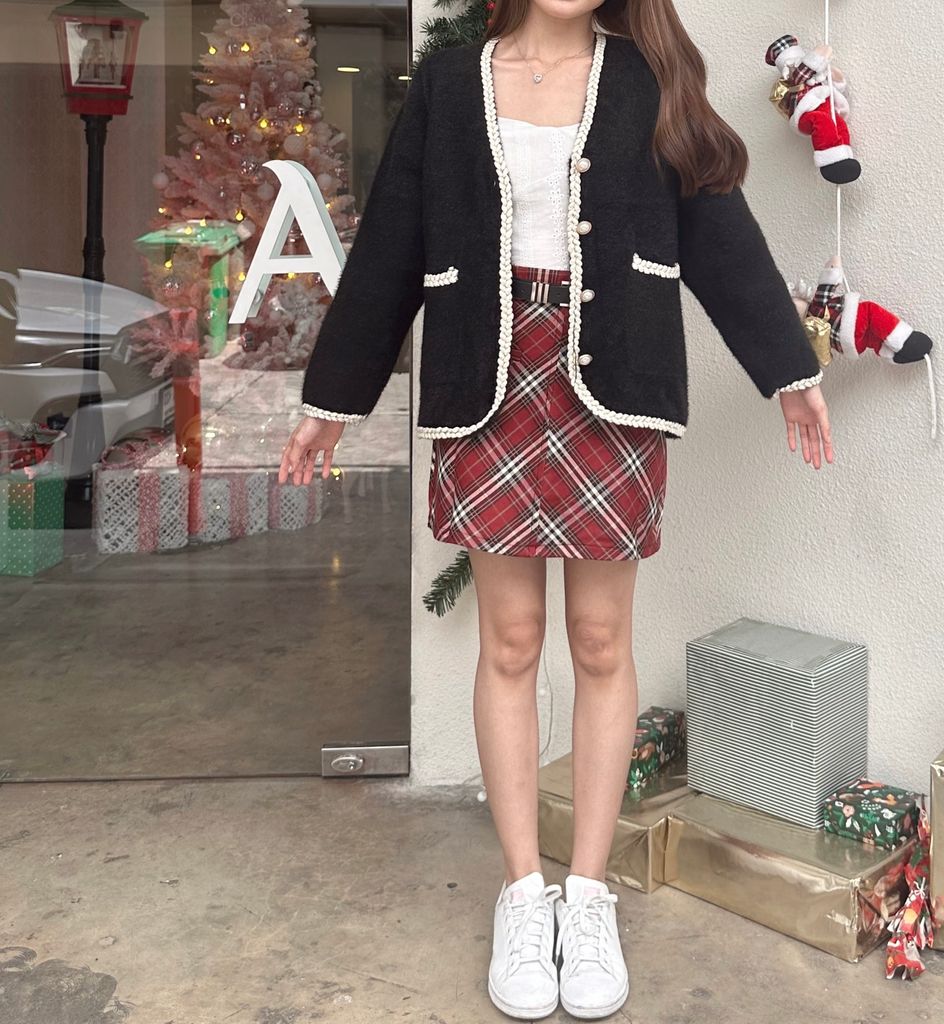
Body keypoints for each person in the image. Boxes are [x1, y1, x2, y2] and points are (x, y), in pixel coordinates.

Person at [279, 0, 833, 1019]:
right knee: (509, 641)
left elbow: (716, 231)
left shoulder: (649, 78)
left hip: (611, 378)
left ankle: (588, 895)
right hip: (486, 376)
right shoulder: (450, 85)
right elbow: (392, 242)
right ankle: (523, 894)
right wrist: (332, 401)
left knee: (601, 641)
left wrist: (787, 371)